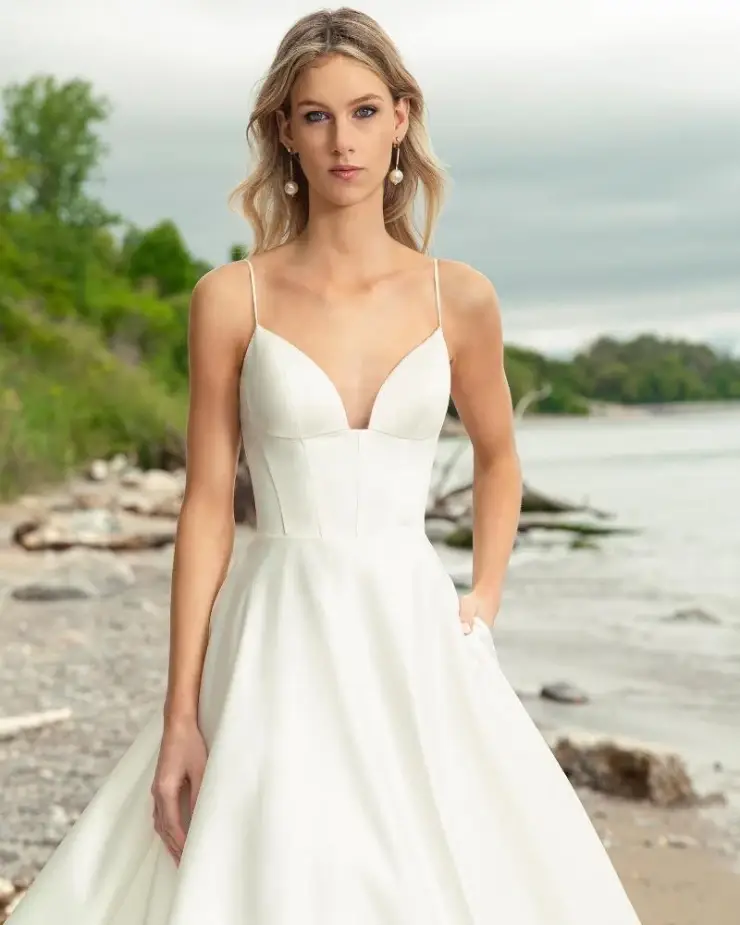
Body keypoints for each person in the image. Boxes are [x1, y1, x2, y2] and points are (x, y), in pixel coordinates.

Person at [8, 8, 644, 924]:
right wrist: (182, 715)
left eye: (362, 111)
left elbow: (500, 459)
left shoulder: (458, 296)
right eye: (315, 116)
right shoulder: (232, 296)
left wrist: (484, 600)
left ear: (400, 118)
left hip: (414, 630)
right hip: (273, 628)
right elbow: (204, 509)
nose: (341, 139)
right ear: (284, 132)